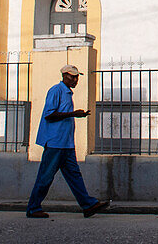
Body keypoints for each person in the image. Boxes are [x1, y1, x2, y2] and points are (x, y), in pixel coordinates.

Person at [26, 64, 111, 218]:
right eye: (73, 76)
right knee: (45, 177)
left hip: (66, 144)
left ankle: (88, 205)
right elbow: (49, 115)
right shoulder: (56, 90)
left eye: (77, 77)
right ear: (64, 75)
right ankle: (33, 208)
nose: (75, 80)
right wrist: (72, 114)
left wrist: (75, 115)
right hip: (55, 143)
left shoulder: (67, 93)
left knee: (74, 176)